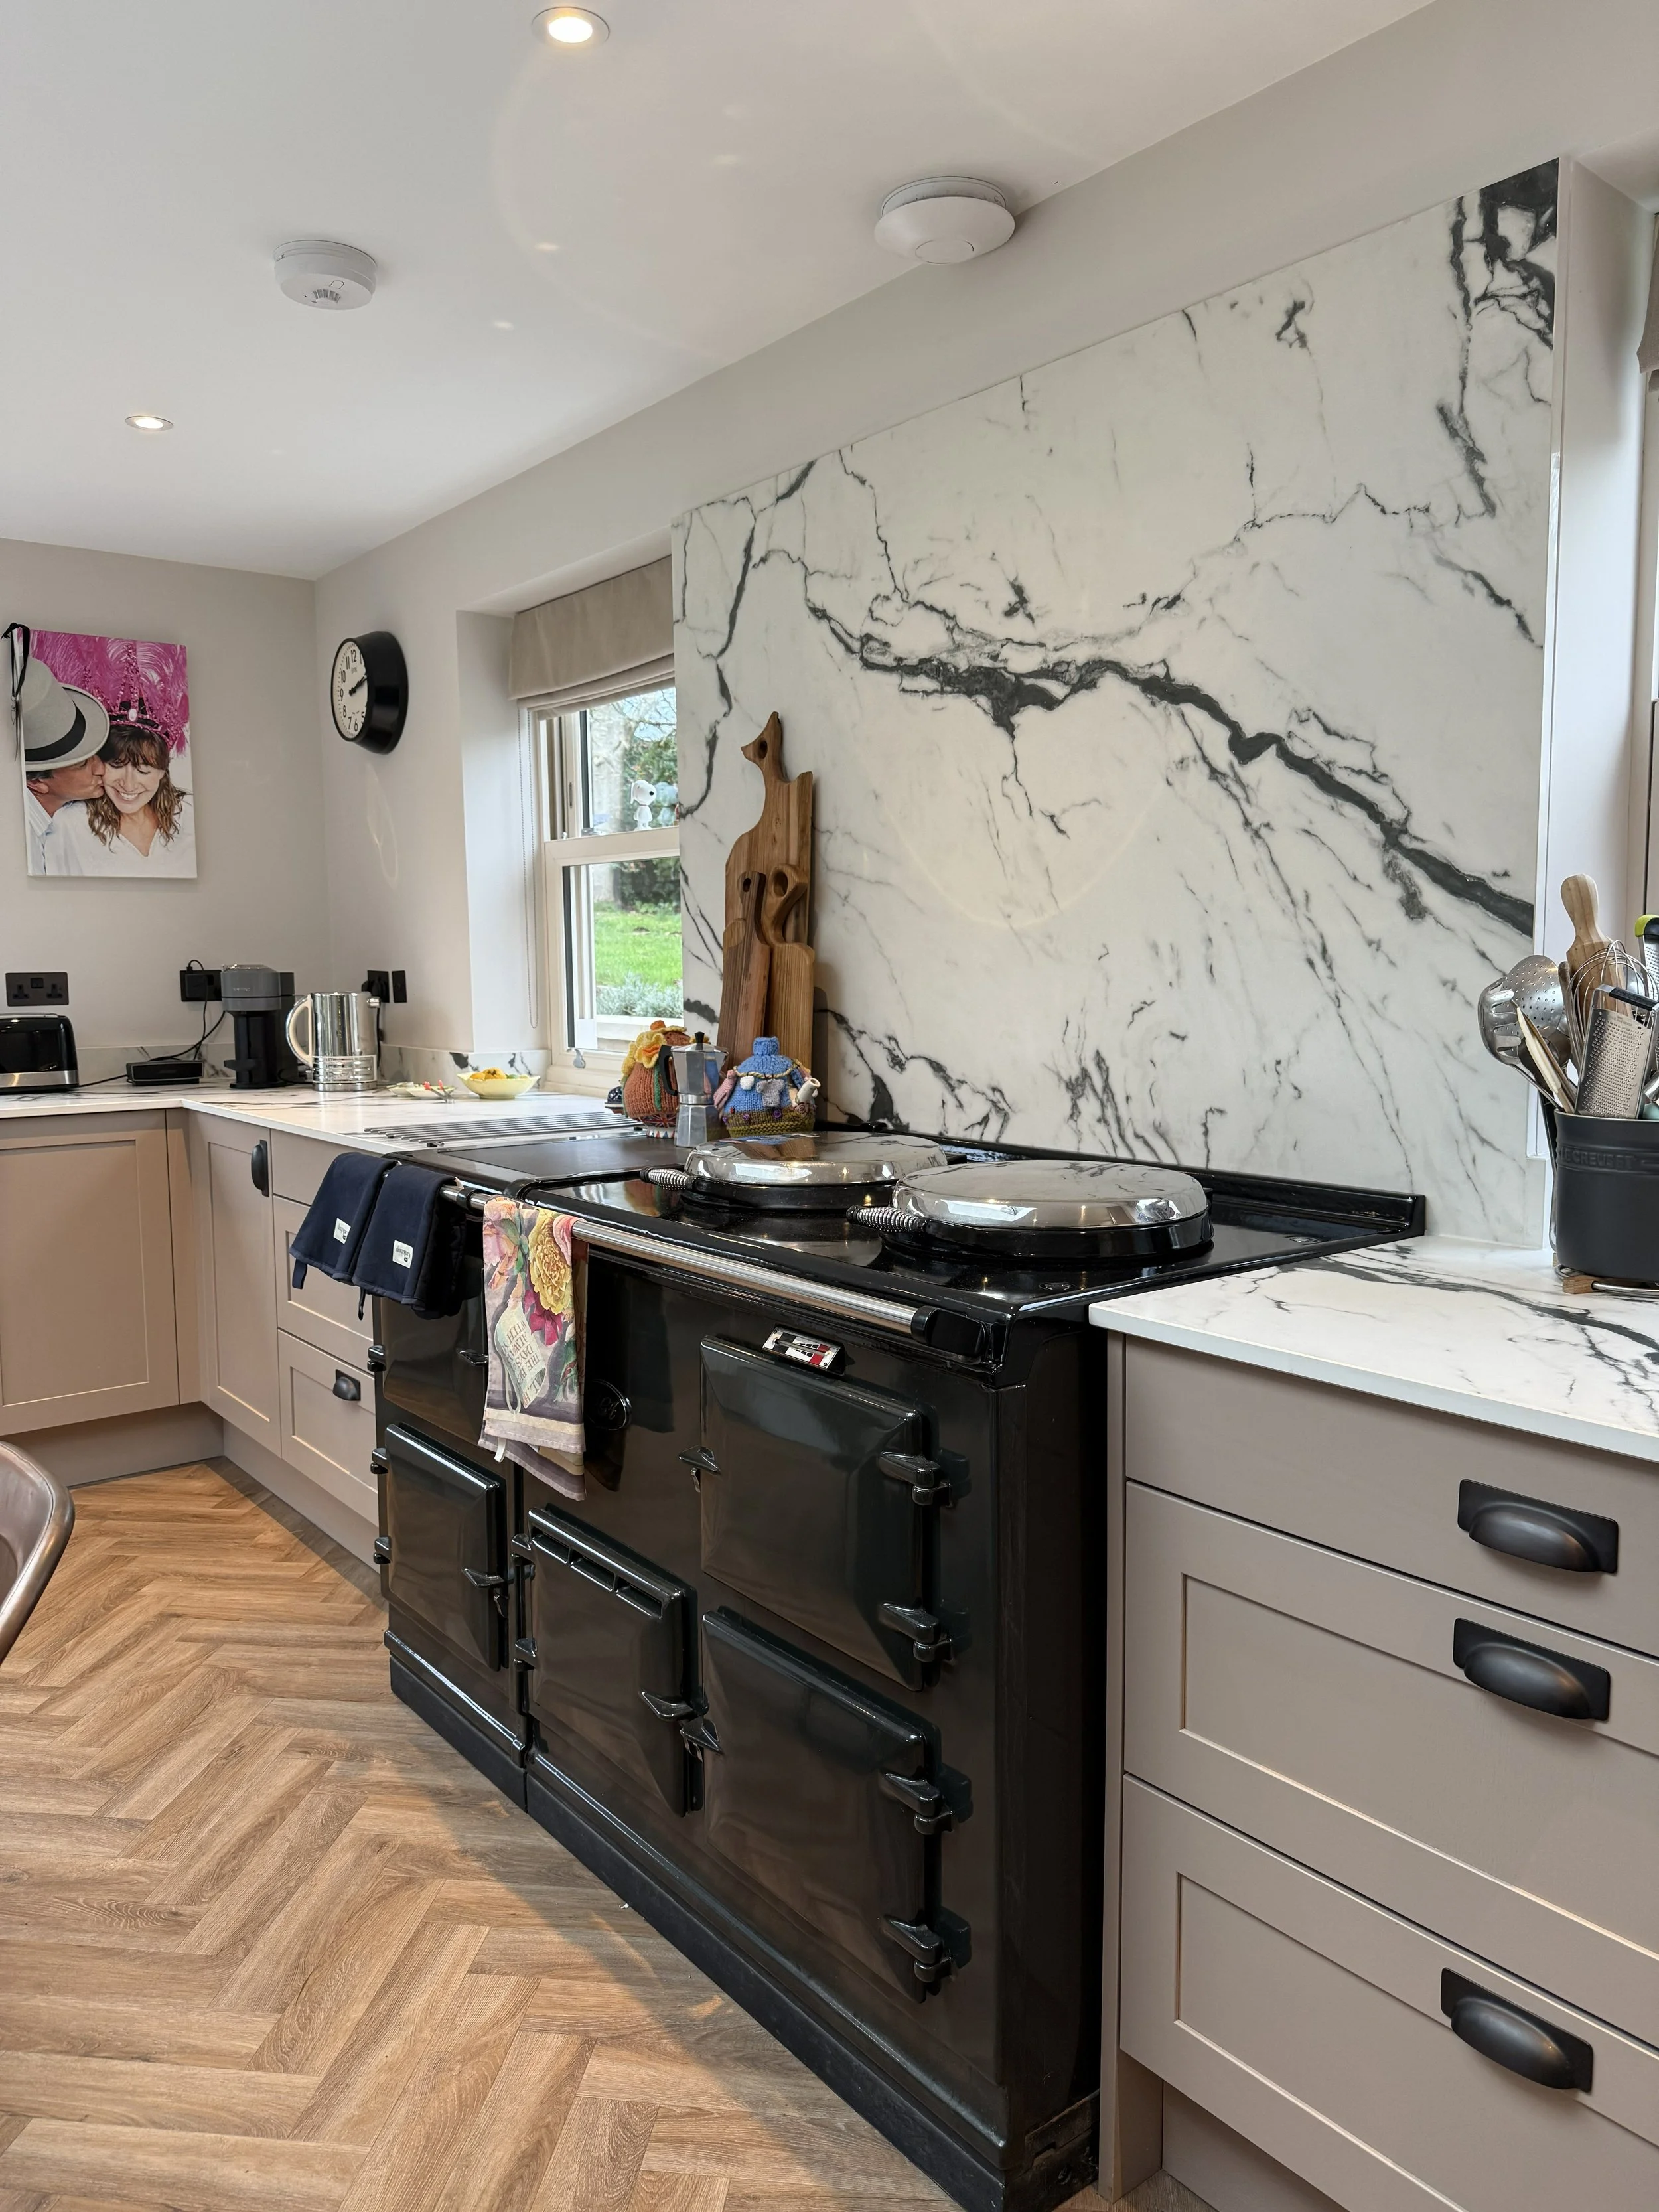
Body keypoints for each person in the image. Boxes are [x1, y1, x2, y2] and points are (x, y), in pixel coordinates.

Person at [43, 709, 194, 877]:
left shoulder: (190, 814)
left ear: (163, 771)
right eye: (116, 766)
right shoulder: (71, 824)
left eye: (143, 771)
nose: (128, 785)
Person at [11, 635, 111, 872]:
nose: (102, 769)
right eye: (82, 764)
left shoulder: (59, 824)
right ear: (37, 782)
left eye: (97, 755)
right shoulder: (22, 848)